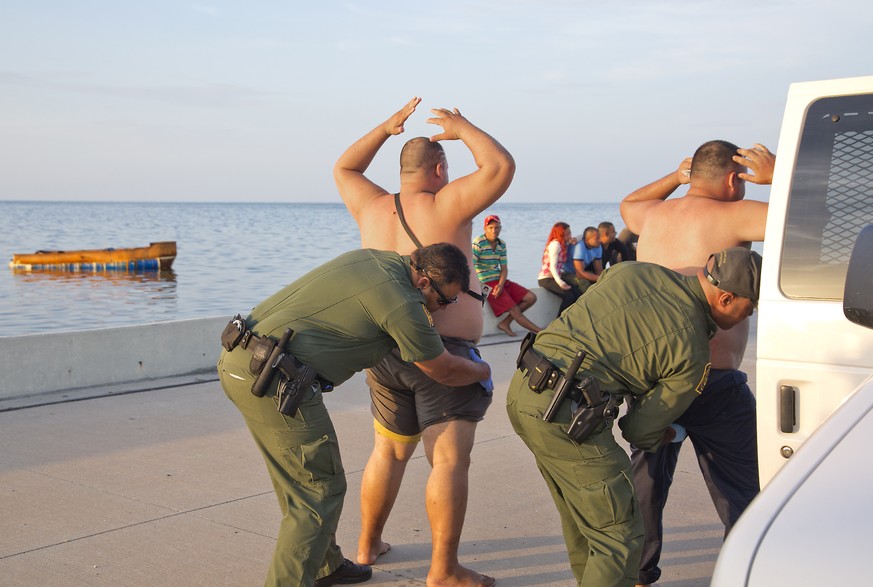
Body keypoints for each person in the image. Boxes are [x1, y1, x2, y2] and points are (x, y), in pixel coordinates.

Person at [218, 243, 491, 587]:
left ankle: (325, 565)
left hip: (239, 361)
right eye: (444, 300)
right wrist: (481, 370)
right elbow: (444, 370)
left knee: (299, 482)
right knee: (319, 493)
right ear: (424, 283)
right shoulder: (404, 303)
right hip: (275, 381)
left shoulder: (375, 258)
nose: (441, 310)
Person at [333, 97, 514, 587]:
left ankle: (367, 544)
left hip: (384, 352)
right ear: (439, 169)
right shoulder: (446, 201)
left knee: (388, 453)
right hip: (442, 353)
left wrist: (385, 128)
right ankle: (444, 570)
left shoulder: (371, 205)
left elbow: (345, 166)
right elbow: (500, 165)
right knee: (449, 460)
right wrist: (462, 126)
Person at [508, 247, 763, 587]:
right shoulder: (693, 352)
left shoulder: (631, 270)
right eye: (750, 308)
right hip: (567, 418)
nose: (749, 317)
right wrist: (665, 433)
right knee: (621, 538)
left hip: (524, 390)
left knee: (585, 523)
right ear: (727, 298)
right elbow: (639, 430)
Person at [620, 140, 775, 587]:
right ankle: (749, 572)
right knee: (742, 488)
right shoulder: (733, 215)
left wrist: (675, 177)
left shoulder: (653, 216)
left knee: (646, 481)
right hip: (714, 379)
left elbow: (628, 204)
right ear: (733, 179)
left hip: (651, 378)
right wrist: (777, 175)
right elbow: (814, 215)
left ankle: (637, 573)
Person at [472, 214, 542, 336]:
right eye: (491, 228)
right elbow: (471, 266)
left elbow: (504, 268)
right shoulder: (478, 243)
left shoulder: (501, 244)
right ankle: (541, 333)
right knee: (515, 310)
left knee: (531, 298)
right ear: (485, 229)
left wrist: (500, 284)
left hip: (499, 280)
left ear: (500, 228)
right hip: (486, 283)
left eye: (497, 227)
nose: (494, 230)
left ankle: (505, 323)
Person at [537, 221, 580, 315]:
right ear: (560, 234)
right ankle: (559, 321)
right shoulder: (555, 245)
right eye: (567, 234)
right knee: (568, 296)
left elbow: (579, 237)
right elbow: (552, 267)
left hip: (556, 277)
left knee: (578, 293)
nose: (569, 235)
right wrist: (560, 283)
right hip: (546, 278)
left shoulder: (563, 244)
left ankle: (572, 318)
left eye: (570, 233)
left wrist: (574, 240)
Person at [564, 226, 603, 294]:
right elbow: (580, 273)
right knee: (585, 284)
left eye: (600, 237)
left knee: (603, 282)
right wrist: (600, 278)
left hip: (581, 271)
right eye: (597, 238)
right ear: (587, 239)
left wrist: (604, 279)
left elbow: (599, 270)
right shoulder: (579, 247)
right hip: (566, 272)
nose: (600, 240)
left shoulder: (598, 246)